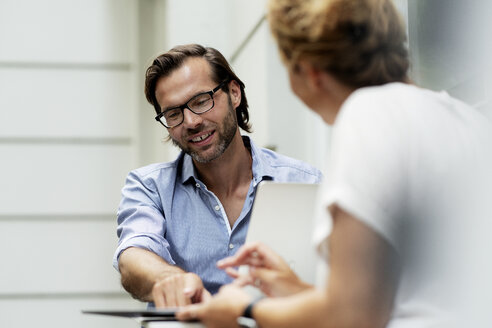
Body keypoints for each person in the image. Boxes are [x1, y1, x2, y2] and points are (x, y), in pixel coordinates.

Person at [177, 0, 492, 327]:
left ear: (309, 70)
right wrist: (294, 289)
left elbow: (351, 316)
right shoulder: (468, 122)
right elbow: (400, 297)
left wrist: (242, 311)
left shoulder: (367, 115)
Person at [112, 44, 322, 308]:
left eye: (201, 101)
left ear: (234, 93)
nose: (191, 122)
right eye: (174, 114)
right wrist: (168, 279)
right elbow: (133, 256)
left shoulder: (305, 183)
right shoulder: (149, 187)